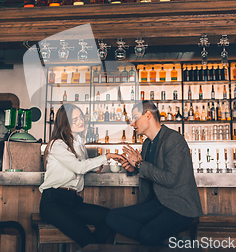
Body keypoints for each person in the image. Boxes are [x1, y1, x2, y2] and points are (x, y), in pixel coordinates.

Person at [106, 100, 203, 246]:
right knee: (111, 217)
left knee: (148, 235)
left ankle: (153, 238)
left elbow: (170, 179)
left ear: (148, 115)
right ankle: (160, 241)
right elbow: (148, 171)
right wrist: (134, 169)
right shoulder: (147, 144)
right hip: (156, 205)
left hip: (179, 207)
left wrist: (139, 164)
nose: (132, 124)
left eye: (135, 118)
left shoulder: (173, 139)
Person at [39, 103, 124, 247]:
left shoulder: (78, 143)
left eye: (81, 117)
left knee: (109, 218)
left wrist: (94, 167)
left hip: (72, 201)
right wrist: (106, 156)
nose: (80, 121)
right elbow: (78, 167)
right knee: (88, 241)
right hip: (53, 202)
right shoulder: (57, 144)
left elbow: (80, 165)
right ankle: (93, 247)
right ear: (64, 123)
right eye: (75, 120)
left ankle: (94, 248)